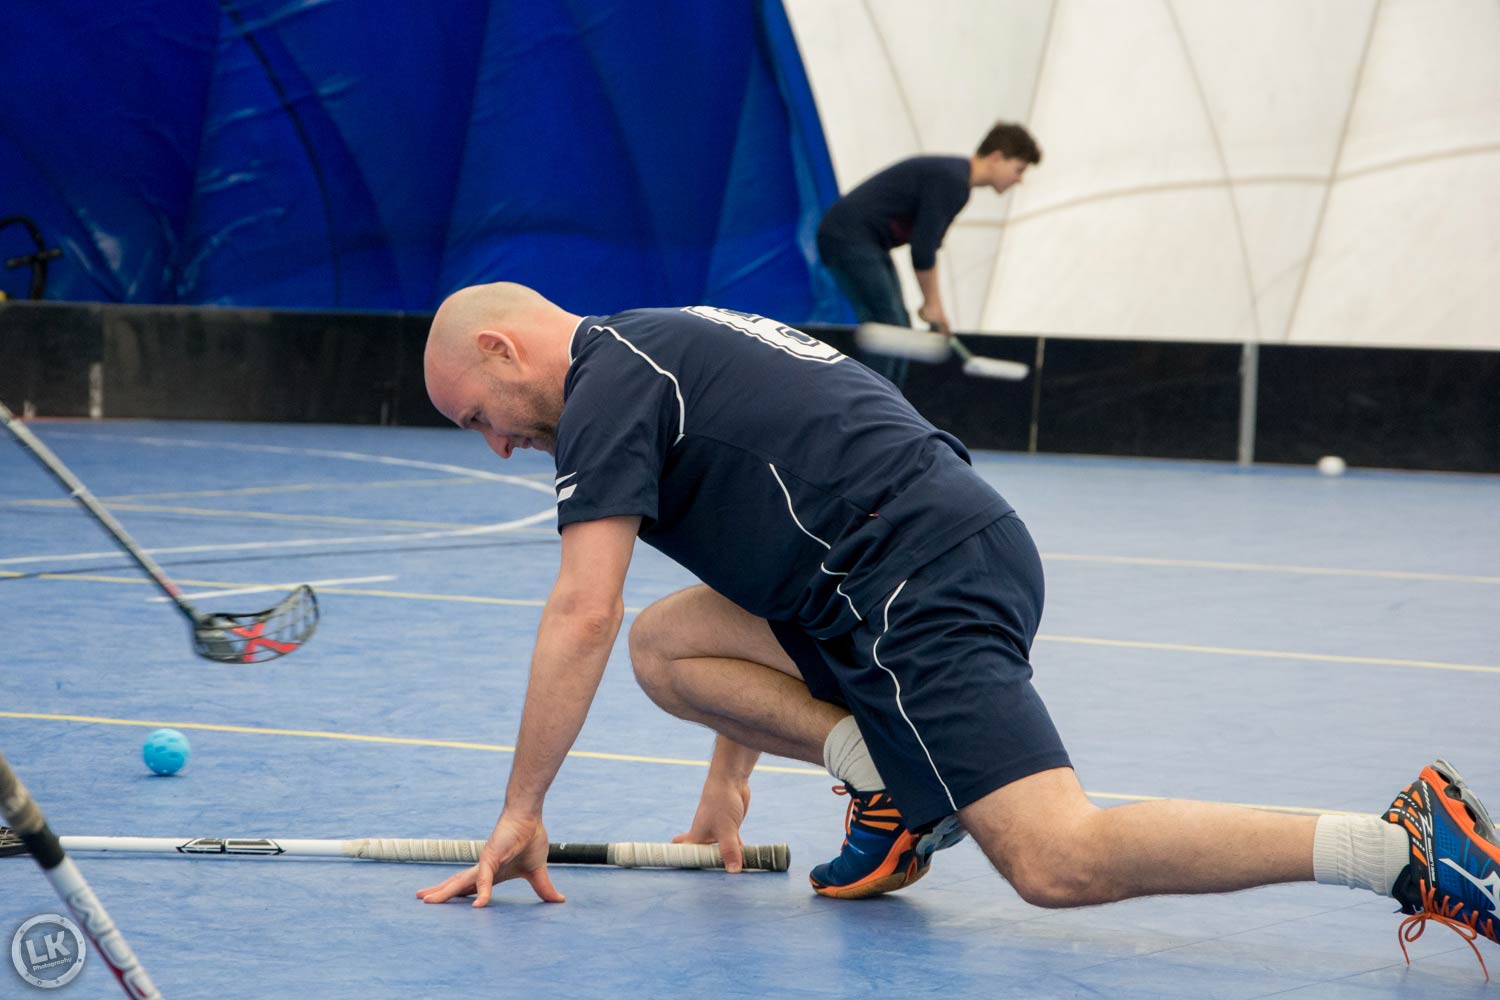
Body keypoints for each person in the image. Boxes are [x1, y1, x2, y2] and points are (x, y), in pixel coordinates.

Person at [415, 282, 1499, 975]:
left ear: (505, 349)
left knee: (1055, 858)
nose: (495, 445)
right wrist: (725, 787)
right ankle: (883, 779)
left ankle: (1398, 848)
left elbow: (581, 609)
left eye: (477, 417)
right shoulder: (653, 345)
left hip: (914, 577)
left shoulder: (607, 393)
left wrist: (521, 812)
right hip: (887, 563)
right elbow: (752, 563)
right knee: (669, 645)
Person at [816, 121, 1040, 387]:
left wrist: (933, 306)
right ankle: (869, 404)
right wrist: (933, 306)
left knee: (899, 329)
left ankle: (889, 402)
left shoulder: (954, 178)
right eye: (1018, 169)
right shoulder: (953, 181)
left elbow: (925, 248)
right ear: (996, 157)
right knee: (889, 329)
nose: (1019, 179)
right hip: (847, 238)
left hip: (863, 241)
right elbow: (923, 250)